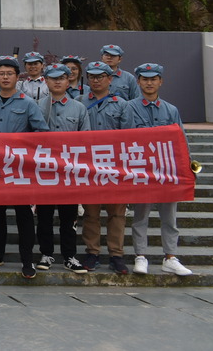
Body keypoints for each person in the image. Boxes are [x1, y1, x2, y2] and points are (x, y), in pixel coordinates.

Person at [0, 55, 49, 278]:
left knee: (24, 215)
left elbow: (42, 133)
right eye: (1, 73)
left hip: (20, 168)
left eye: (9, 73)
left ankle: (27, 260)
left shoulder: (28, 103)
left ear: (17, 77)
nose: (5, 77)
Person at [124, 63, 192, 276]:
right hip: (142, 170)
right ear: (138, 82)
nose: (149, 83)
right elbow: (124, 138)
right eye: (145, 79)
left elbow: (181, 140)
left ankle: (170, 257)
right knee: (140, 216)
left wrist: (187, 166)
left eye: (153, 79)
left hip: (167, 171)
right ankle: (140, 256)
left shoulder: (171, 110)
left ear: (160, 81)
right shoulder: (129, 107)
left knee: (169, 217)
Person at [35, 63, 91, 274]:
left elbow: (86, 140)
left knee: (69, 217)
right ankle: (46, 253)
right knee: (44, 217)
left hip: (69, 172)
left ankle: (69, 256)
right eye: (53, 78)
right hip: (44, 171)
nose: (57, 82)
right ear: (46, 81)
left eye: (62, 78)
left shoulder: (79, 108)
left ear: (69, 81)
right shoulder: (37, 106)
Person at [79, 60, 130, 274]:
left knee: (116, 213)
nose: (96, 80)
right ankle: (92, 252)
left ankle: (116, 254)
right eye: (92, 76)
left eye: (100, 76)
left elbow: (129, 137)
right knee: (91, 213)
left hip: (114, 167)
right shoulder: (79, 102)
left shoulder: (122, 105)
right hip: (88, 166)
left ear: (110, 79)